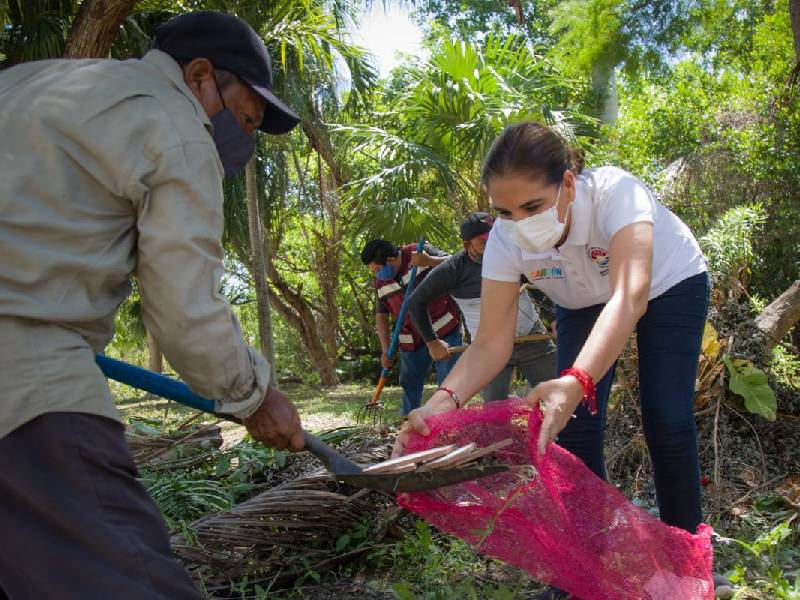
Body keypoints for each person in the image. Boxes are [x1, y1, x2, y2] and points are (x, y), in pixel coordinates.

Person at [0, 11, 305, 599]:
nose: (240, 140)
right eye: (244, 119)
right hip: (23, 380)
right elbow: (184, 308)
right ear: (199, 74)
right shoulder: (175, 124)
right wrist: (254, 395)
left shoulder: (31, 83)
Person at [392, 122, 727, 598]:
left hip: (668, 283)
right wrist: (443, 401)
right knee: (572, 428)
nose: (520, 223)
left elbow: (630, 297)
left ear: (568, 183)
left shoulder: (616, 194)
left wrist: (575, 378)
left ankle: (685, 566)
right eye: (503, 212)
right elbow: (490, 343)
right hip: (582, 301)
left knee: (666, 415)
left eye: (532, 206)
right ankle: (590, 566)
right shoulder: (504, 241)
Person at [408, 212, 556, 400]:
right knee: (495, 411)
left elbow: (538, 287)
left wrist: (554, 320)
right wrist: (432, 342)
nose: (493, 246)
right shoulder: (453, 269)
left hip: (532, 338)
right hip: (488, 349)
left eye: (496, 238)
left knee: (559, 399)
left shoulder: (513, 254)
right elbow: (415, 302)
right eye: (484, 243)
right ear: (467, 245)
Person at [361, 239, 463, 415]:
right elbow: (381, 316)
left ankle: (448, 424)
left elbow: (459, 262)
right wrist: (385, 349)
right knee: (409, 384)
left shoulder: (419, 252)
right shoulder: (381, 283)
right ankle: (409, 424)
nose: (377, 275)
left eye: (378, 269)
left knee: (448, 383)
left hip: (444, 332)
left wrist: (430, 261)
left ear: (391, 259)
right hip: (411, 341)